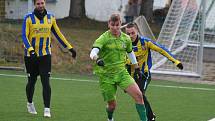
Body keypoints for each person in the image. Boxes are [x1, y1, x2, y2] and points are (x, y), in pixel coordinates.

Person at [21, 0, 76, 118]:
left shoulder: (51, 17)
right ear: (34, 5)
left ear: (45, 3)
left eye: (42, 3)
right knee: (32, 81)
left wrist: (70, 48)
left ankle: (47, 109)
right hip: (31, 56)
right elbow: (24, 36)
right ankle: (30, 103)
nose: (40, 5)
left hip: (45, 55)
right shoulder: (28, 18)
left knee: (46, 81)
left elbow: (58, 34)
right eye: (38, 3)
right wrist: (30, 49)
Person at [90, 13, 147, 121]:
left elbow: (130, 53)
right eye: (113, 25)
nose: (115, 27)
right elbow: (93, 52)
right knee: (112, 106)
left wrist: (137, 68)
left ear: (121, 24)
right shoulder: (103, 38)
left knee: (139, 96)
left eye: (117, 25)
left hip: (122, 73)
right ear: (109, 24)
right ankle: (110, 118)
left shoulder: (126, 38)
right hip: (106, 76)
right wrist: (97, 59)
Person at [125, 22, 183, 121]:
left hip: (144, 74)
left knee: (140, 94)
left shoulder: (145, 42)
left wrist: (175, 61)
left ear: (137, 31)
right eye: (128, 34)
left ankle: (150, 117)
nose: (130, 36)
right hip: (129, 75)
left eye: (133, 33)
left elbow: (162, 50)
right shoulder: (124, 44)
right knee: (137, 97)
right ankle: (150, 116)